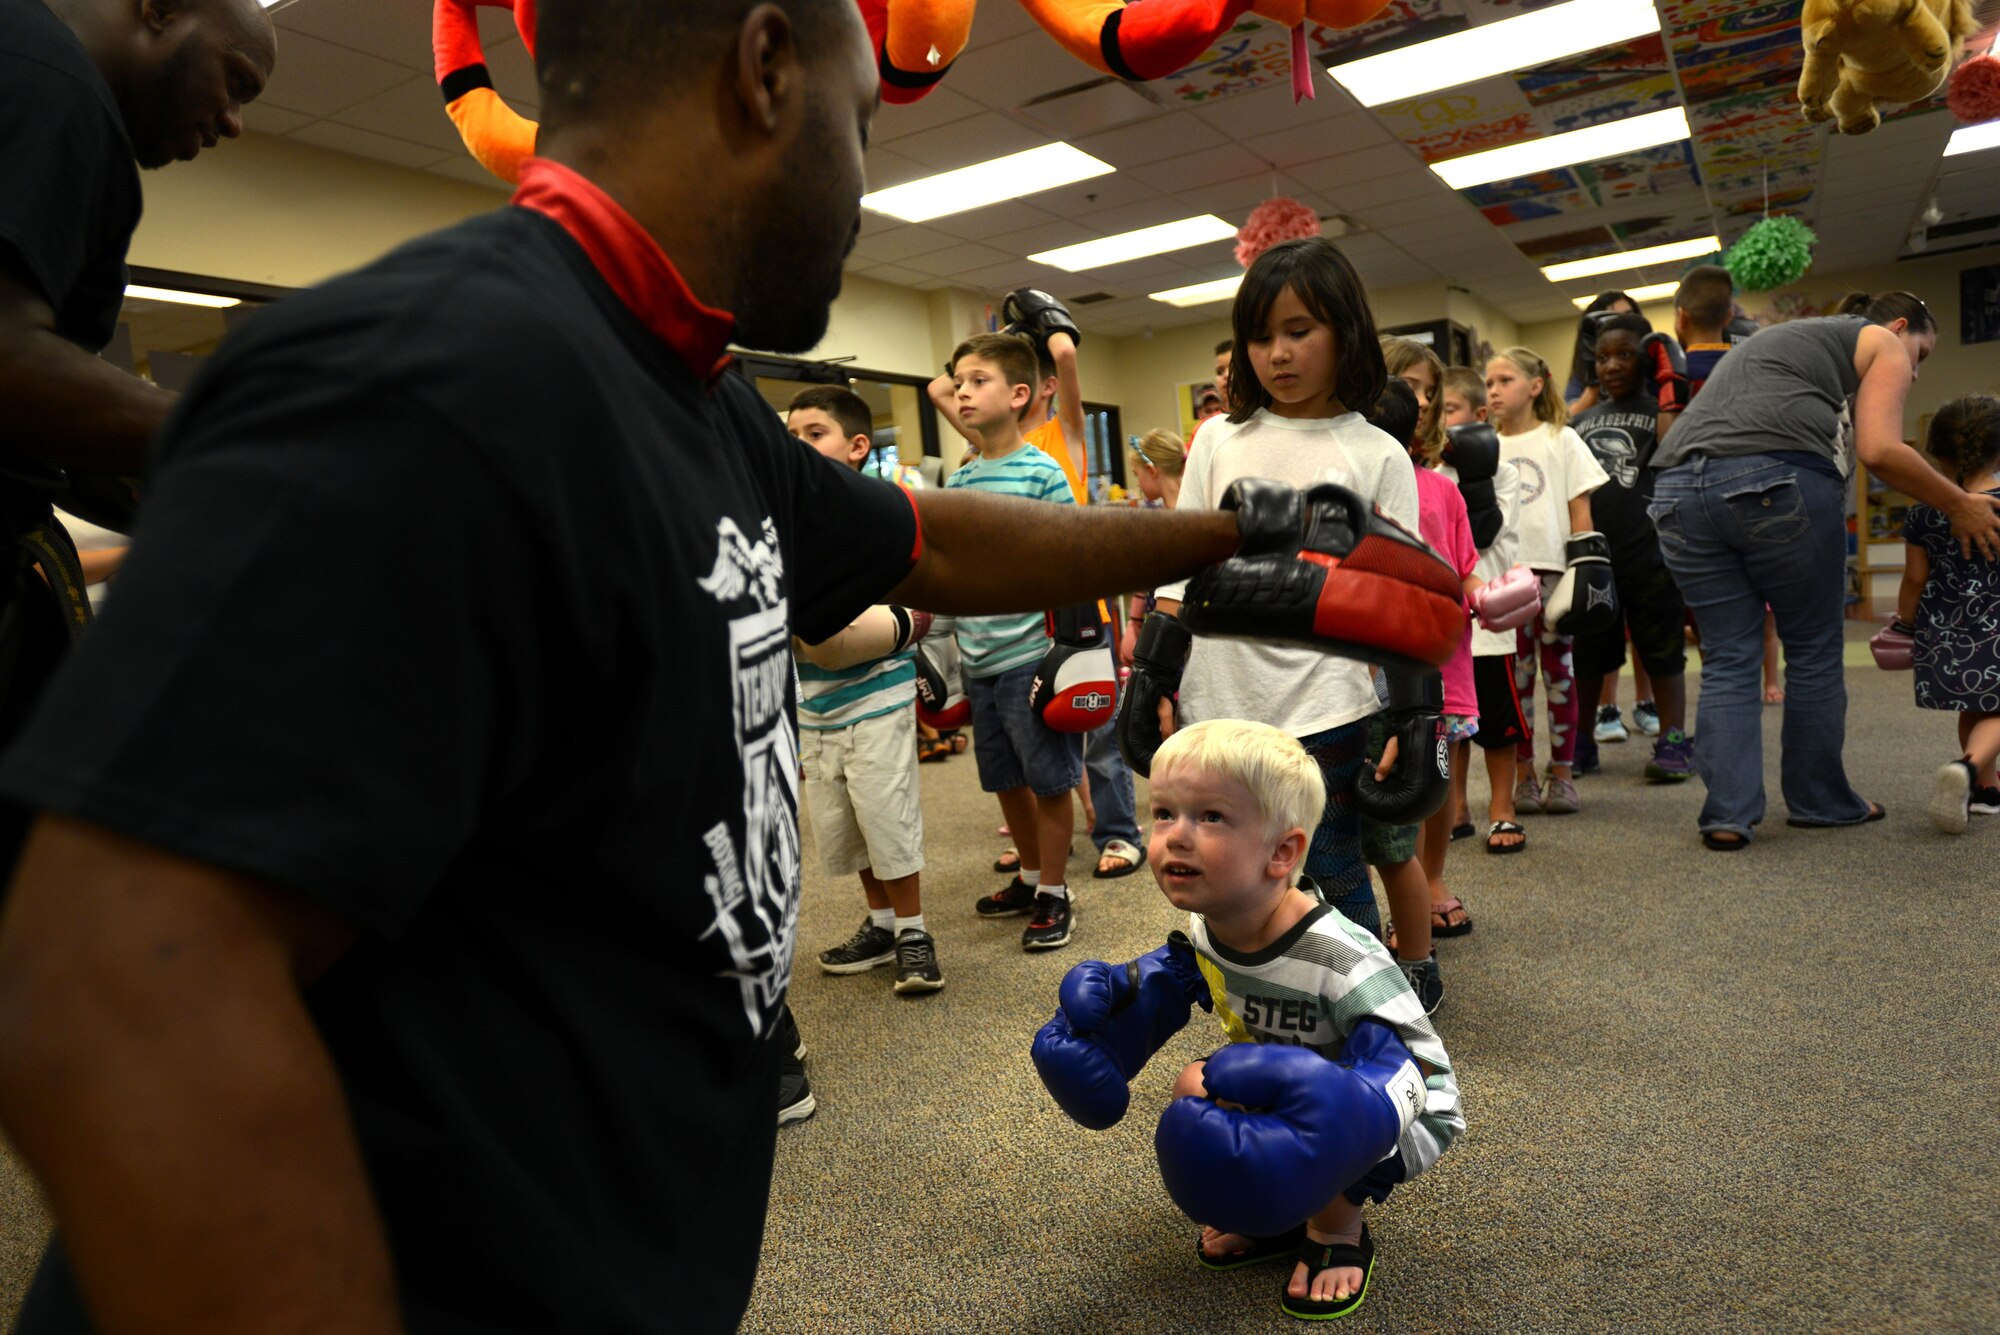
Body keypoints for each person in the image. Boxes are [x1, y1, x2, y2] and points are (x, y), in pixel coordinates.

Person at [0, 4, 1409, 1328]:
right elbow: (106, 976)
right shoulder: (442, 368)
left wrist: (1234, 532)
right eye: (859, 124)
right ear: (764, 69)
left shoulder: (687, 385)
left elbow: (932, 541)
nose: (858, 189)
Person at [0, 0, 275, 746]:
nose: (234, 121)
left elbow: (52, 438)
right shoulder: (55, 81)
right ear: (158, 10)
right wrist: (258, 438)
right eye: (236, 80)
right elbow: (10, 367)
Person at [1143, 237, 1421, 942]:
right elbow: (1181, 562)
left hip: (1328, 702)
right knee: (1226, 868)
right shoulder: (1216, 440)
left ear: (1345, 332)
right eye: (1260, 337)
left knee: (1331, 862)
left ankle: (1370, 1013)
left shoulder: (1378, 453)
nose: (1278, 354)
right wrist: (1151, 673)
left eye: (1299, 332)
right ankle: (1259, 1008)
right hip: (1221, 698)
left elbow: (1398, 598)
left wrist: (1415, 718)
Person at [1651, 291, 2000, 849]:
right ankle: (1820, 802)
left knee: (1727, 656)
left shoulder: (1779, 342)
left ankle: (1727, 816)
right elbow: (1880, 450)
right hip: (1771, 482)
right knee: (1812, 647)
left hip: (1675, 493)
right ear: (1900, 326)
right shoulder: (1880, 340)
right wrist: (1958, 503)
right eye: (1922, 353)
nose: (1912, 369)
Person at [1148, 721, 1461, 1318]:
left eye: (1210, 817)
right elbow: (1187, 977)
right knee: (1195, 1086)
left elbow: (1417, 1064)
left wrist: (1355, 1109)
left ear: (1283, 853)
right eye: (1164, 813)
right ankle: (1274, 1216)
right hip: (1283, 1082)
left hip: (1392, 1104)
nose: (1176, 837)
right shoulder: (1211, 925)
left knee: (1320, 1113)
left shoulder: (1342, 959)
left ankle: (1337, 1234)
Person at [786, 386, 944, 998]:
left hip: (876, 697)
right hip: (815, 707)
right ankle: (880, 925)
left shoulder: (874, 514)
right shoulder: (786, 523)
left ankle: (913, 931)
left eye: (815, 433)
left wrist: (902, 626)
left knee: (886, 816)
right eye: (792, 436)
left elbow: (915, 596)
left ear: (856, 447)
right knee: (842, 823)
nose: (801, 446)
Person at [942, 331, 1094, 948]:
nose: (964, 393)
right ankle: (1031, 878)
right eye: (958, 384)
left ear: (1019, 394)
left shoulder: (1043, 471)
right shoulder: (959, 481)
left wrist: (1073, 657)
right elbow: (950, 574)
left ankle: (1057, 893)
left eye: (978, 381)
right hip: (977, 661)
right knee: (1004, 779)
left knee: (1051, 780)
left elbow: (1072, 562)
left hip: (1031, 657)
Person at [1382, 339, 1479, 948]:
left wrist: (1489, 592)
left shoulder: (1442, 487)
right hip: (1379, 647)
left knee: (1439, 768)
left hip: (1446, 650)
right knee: (1386, 771)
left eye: (1428, 391)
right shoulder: (1353, 478)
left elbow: (1465, 564)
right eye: (1406, 386)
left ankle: (1434, 876)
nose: (1418, 402)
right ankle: (1396, 887)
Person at [1567, 315, 1693, 783]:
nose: (1612, 365)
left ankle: (1674, 740)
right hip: (1594, 560)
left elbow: (1673, 444)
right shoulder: (1580, 421)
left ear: (1646, 357)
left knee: (1662, 651)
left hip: (1651, 555)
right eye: (1602, 357)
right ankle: (1579, 741)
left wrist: (1668, 381)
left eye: (1624, 354)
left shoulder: (1661, 412)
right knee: (1588, 655)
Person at [1486, 346, 1608, 820]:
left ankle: (1563, 773)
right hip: (1505, 580)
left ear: (1535, 386)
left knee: (1560, 675)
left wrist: (1586, 571)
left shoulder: (1562, 439)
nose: (1493, 390)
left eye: (1504, 381)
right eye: (1489, 383)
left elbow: (1582, 513)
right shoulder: (1485, 445)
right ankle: (1524, 775)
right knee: (1514, 684)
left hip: (1556, 574)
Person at [1894, 396, 2000, 833]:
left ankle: (1986, 791)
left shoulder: (1923, 510)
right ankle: (1970, 768)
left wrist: (1905, 624)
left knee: (1974, 705)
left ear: (1936, 453)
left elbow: (1916, 577)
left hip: (1944, 629)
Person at [1438, 366, 1527, 851]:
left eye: (1449, 411)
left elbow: (1483, 534)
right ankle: (1456, 805)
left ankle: (1502, 807)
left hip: (1489, 618)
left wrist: (1475, 470)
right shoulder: (1430, 475)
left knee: (1497, 720)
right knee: (1452, 720)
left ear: (1477, 415)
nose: (1441, 421)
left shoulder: (1504, 472)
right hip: (1447, 620)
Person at [1118, 427, 1185, 670]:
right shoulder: (1152, 518)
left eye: (1137, 475)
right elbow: (1142, 578)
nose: (1137, 482)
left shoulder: (1197, 516)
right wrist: (1133, 624)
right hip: (1156, 624)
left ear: (1152, 471)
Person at [1565, 289, 1638, 414]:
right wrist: (1595, 383)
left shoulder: (1652, 363)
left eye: (1628, 316)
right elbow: (1569, 417)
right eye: (1611, 318)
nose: (1622, 323)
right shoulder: (1584, 375)